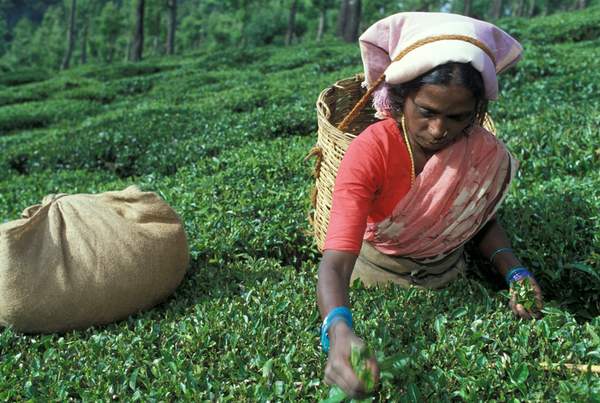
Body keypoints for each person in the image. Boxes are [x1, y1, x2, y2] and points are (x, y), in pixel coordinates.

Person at [316, 12, 544, 398]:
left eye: (457, 117)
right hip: (378, 273)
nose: (439, 131)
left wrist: (516, 273)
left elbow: (481, 220)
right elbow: (335, 261)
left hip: (449, 271)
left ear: (477, 113)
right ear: (401, 98)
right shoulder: (371, 151)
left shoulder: (479, 150)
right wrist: (338, 330)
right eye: (427, 111)